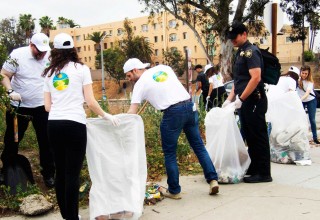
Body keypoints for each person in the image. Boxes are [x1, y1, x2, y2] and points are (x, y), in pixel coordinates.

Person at [42, 33, 119, 220]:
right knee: (72, 173)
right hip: (75, 124)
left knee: (60, 172)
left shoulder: (49, 73)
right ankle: (73, 217)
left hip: (53, 125)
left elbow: (47, 107)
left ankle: (65, 215)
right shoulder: (81, 69)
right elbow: (90, 101)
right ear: (73, 49)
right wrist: (106, 115)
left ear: (55, 51)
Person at [124, 58, 219, 199]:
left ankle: (174, 190)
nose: (130, 79)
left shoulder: (140, 84)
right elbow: (166, 86)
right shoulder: (164, 68)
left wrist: (118, 122)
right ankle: (213, 180)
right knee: (198, 146)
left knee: (169, 153)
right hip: (189, 106)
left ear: (135, 70)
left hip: (172, 113)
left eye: (129, 75)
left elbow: (132, 111)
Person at [0, 33, 55, 188]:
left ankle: (49, 173)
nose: (42, 54)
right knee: (13, 139)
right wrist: (10, 92)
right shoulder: (17, 55)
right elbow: (4, 75)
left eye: (44, 51)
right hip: (19, 108)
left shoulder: (49, 56)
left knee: (46, 141)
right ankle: (7, 170)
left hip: (42, 107)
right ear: (31, 45)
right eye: (39, 51)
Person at [222, 21, 272, 183]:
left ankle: (264, 173)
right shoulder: (241, 52)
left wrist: (241, 99)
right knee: (250, 135)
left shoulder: (251, 52)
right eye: (231, 38)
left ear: (244, 34)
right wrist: (230, 99)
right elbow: (239, 80)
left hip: (254, 100)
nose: (233, 40)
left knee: (258, 136)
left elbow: (256, 77)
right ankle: (255, 167)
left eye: (235, 37)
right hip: (245, 102)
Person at [266, 66, 300, 136]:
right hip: (279, 102)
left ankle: (267, 143)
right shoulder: (292, 80)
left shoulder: (280, 78)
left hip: (270, 101)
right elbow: (292, 95)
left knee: (272, 123)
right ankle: (276, 143)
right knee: (280, 124)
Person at [297, 65, 319, 144]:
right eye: (303, 73)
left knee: (312, 119)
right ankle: (299, 138)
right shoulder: (297, 79)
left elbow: (307, 93)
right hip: (300, 101)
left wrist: (300, 100)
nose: (304, 75)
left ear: (308, 74)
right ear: (300, 72)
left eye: (306, 73)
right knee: (299, 119)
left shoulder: (310, 81)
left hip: (310, 100)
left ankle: (315, 137)